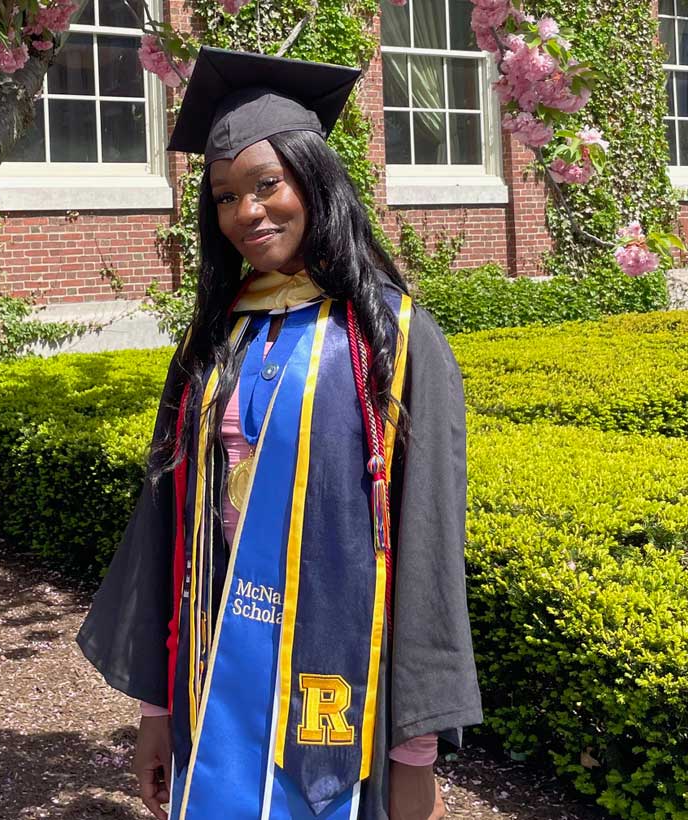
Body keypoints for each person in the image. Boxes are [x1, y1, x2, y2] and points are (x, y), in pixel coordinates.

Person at [76, 47, 480, 820]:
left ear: (313, 181)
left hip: (333, 680)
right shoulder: (216, 336)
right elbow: (166, 530)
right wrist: (157, 713)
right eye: (226, 196)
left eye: (267, 185)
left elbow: (426, 542)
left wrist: (415, 754)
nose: (247, 212)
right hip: (216, 664)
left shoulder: (389, 338)